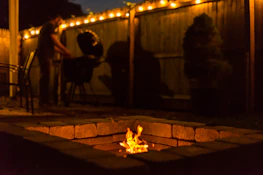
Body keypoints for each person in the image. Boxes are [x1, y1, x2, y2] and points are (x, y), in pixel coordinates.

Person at [36, 14, 72, 106]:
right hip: (45, 55)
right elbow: (54, 40)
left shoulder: (47, 27)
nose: (60, 24)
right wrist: (65, 49)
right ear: (57, 19)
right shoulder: (49, 26)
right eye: (60, 22)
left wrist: (64, 53)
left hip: (44, 54)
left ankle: (44, 100)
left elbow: (53, 47)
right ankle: (44, 101)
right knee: (45, 77)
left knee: (46, 77)